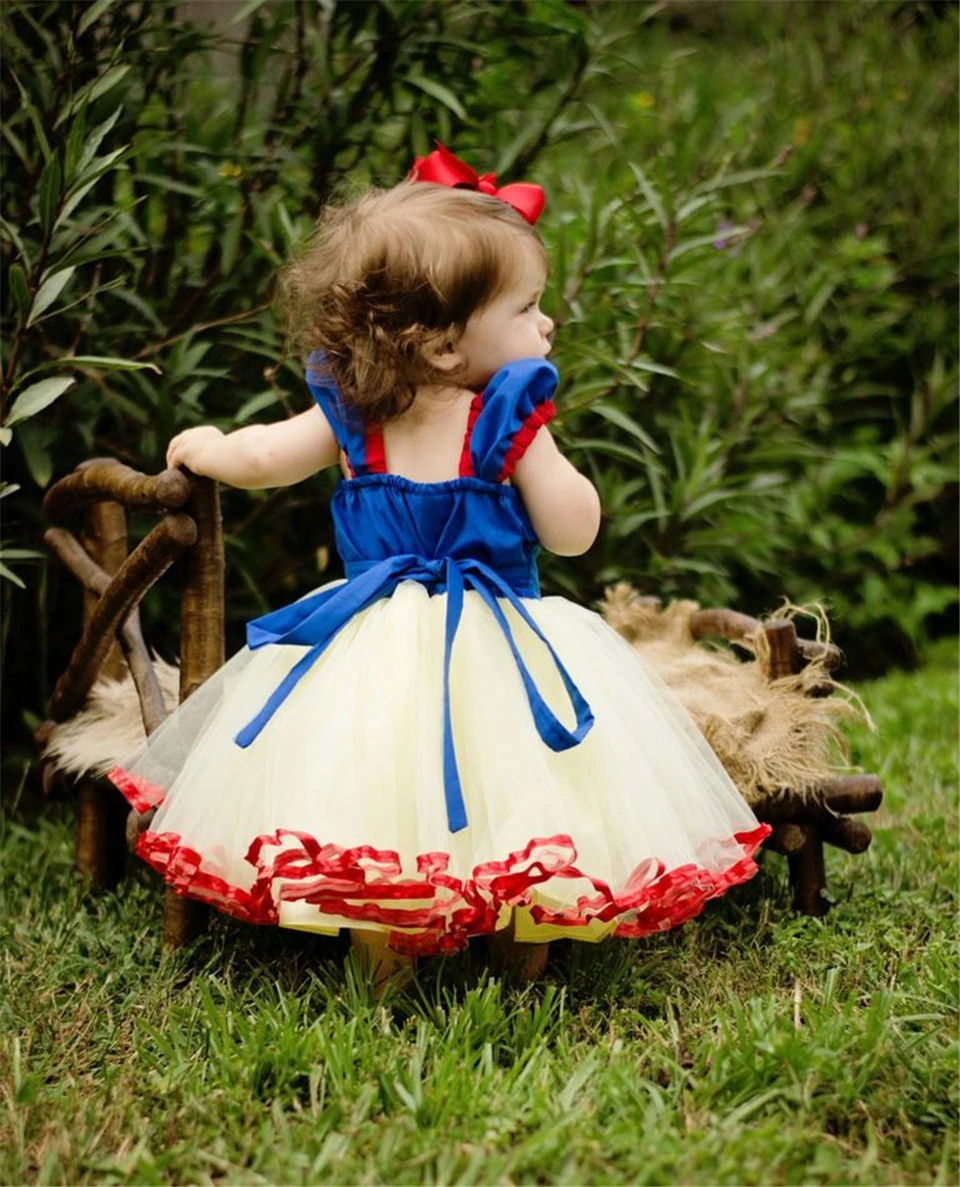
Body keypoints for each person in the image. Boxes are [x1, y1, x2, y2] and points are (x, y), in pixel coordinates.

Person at [109, 145, 769, 989]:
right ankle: (521, 949)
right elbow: (572, 532)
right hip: (496, 636)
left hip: (371, 640)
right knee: (525, 785)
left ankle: (382, 956)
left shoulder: (359, 414)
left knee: (377, 784)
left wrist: (209, 447)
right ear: (447, 345)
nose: (547, 326)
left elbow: (264, 456)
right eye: (527, 308)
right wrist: (547, 458)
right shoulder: (505, 421)